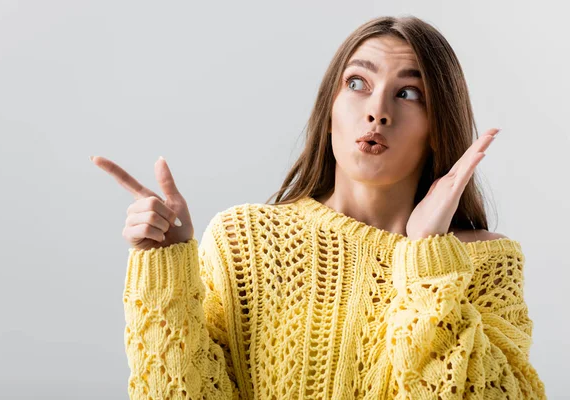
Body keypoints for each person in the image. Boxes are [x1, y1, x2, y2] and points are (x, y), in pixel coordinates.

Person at [92, 15, 547, 400]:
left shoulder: (484, 262)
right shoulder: (245, 238)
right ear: (330, 107)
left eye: (408, 93)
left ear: (438, 124)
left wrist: (427, 253)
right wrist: (165, 269)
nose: (377, 111)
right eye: (357, 83)